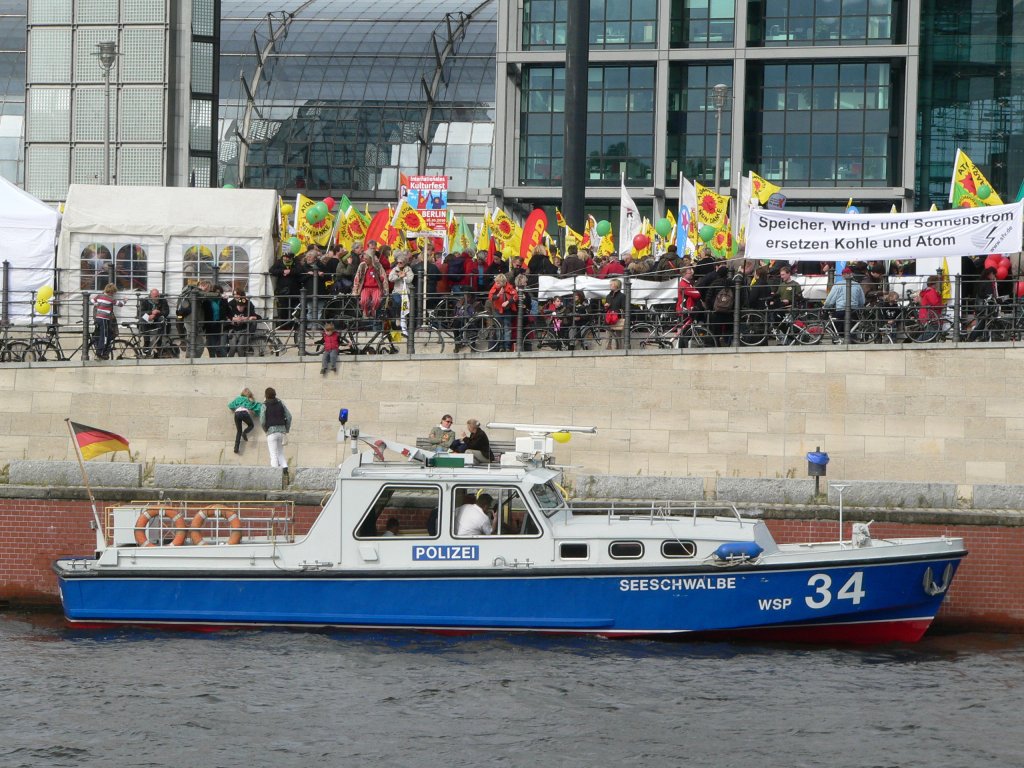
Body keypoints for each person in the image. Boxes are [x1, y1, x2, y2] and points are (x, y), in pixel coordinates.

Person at [259, 386, 292, 471]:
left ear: (266, 395)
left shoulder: (264, 405)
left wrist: (265, 430)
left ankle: (274, 476)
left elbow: (262, 420)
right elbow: (289, 416)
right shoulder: (281, 403)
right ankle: (285, 472)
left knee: (273, 455)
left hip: (271, 432)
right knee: (280, 454)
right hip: (281, 432)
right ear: (275, 394)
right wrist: (286, 429)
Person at [91, 283, 124, 359]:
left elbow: (92, 300)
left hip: (98, 318)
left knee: (103, 336)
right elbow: (120, 304)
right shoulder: (110, 299)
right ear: (111, 292)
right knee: (104, 336)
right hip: (104, 319)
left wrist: (98, 304)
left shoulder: (99, 296)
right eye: (114, 293)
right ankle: (100, 353)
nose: (114, 294)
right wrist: (125, 300)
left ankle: (102, 352)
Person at [487, 272, 518, 352]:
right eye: (496, 282)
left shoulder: (509, 287)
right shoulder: (495, 287)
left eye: (498, 282)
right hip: (498, 310)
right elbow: (490, 296)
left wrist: (508, 302)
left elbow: (515, 296)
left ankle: (507, 346)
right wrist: (497, 295)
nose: (496, 284)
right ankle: (501, 346)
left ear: (503, 282)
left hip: (507, 311)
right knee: (499, 329)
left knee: (507, 329)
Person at [227, 387, 261, 454]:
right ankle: (245, 432)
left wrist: (236, 407)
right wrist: (257, 413)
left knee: (238, 431)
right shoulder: (249, 400)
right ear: (249, 394)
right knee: (251, 425)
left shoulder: (238, 399)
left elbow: (230, 405)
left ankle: (236, 448)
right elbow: (256, 407)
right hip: (244, 413)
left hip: (237, 413)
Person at [226, 289, 260, 357]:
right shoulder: (231, 304)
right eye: (234, 294)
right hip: (233, 330)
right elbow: (227, 316)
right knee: (233, 347)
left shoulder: (248, 303)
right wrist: (235, 319)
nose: (235, 296)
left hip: (243, 330)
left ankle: (249, 337)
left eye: (237, 294)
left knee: (239, 347)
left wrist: (248, 318)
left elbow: (255, 315)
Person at [138, 287, 170, 356]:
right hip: (148, 319)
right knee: (142, 320)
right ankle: (146, 342)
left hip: (157, 318)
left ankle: (159, 342)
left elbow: (166, 312)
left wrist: (158, 312)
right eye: (156, 296)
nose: (158, 297)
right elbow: (140, 313)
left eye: (158, 295)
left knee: (162, 320)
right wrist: (150, 313)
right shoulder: (145, 301)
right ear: (151, 296)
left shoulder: (163, 300)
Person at [388, 252, 413, 336]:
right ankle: (397, 316)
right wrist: (399, 276)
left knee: (406, 307)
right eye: (398, 262)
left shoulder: (408, 269)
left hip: (406, 291)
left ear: (405, 262)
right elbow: (390, 278)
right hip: (397, 291)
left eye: (401, 262)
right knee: (398, 302)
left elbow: (410, 279)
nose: (399, 264)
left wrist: (404, 276)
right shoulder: (395, 269)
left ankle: (405, 326)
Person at [603, 278, 626, 350]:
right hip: (609, 319)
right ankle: (608, 351)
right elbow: (606, 310)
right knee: (607, 337)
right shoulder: (608, 296)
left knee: (618, 337)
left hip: (617, 319)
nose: (610, 285)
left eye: (612, 284)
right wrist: (606, 307)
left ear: (617, 285)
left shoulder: (622, 296)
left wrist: (615, 311)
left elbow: (624, 308)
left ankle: (619, 351)